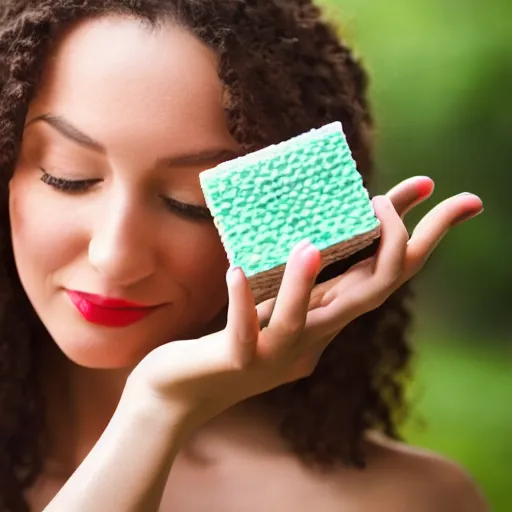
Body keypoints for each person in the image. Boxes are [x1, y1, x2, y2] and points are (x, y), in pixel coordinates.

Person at [0, 1, 488, 511]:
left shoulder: (403, 500)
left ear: (282, 217)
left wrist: (158, 406)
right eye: (67, 176)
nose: (116, 257)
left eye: (190, 204)